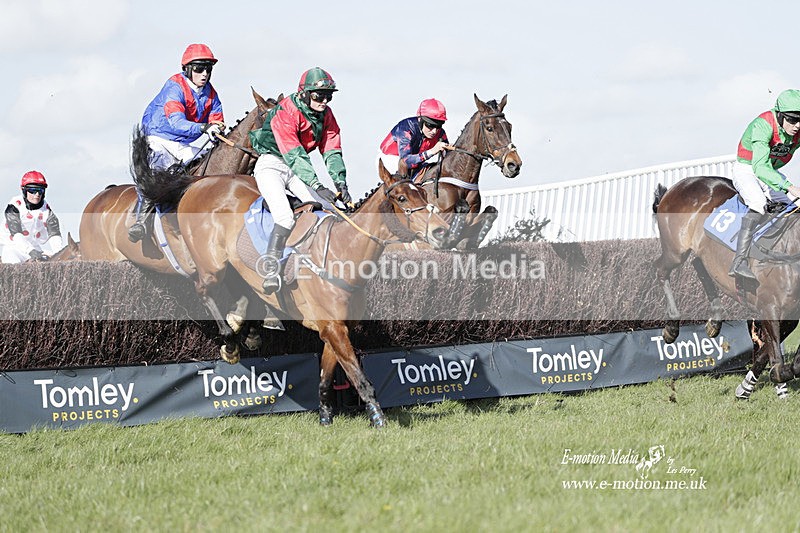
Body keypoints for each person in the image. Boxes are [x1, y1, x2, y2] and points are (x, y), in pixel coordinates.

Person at [249, 67, 351, 294]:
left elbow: (332, 149)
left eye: (329, 96)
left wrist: (340, 183)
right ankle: (271, 269)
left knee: (326, 211)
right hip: (272, 166)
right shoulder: (286, 111)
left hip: (295, 171)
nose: (324, 101)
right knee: (285, 218)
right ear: (304, 93)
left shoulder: (326, 115)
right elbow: (294, 154)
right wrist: (317, 185)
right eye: (318, 96)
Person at [130, 43, 225, 243]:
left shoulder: (211, 93)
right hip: (158, 137)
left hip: (183, 143)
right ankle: (141, 221)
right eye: (199, 68)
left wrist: (219, 131)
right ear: (188, 70)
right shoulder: (174, 86)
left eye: (208, 69)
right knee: (159, 176)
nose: (204, 73)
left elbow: (217, 119)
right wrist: (204, 128)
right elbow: (176, 122)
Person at [730, 89, 800, 279]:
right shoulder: (763, 125)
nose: (797, 126)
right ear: (780, 115)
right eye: (793, 120)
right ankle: (739, 261)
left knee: (792, 208)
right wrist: (790, 187)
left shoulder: (797, 128)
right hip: (748, 169)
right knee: (759, 204)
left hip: (769, 171)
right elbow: (760, 168)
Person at [379, 98, 450, 180]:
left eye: (438, 126)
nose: (434, 131)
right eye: (430, 125)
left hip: (416, 161)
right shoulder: (405, 128)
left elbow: (447, 155)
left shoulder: (440, 132)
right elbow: (405, 162)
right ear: (420, 119)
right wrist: (432, 151)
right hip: (392, 159)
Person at [1, 171, 62, 264]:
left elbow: (54, 234)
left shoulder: (47, 210)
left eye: (40, 190)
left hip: (34, 247)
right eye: (33, 190)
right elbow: (17, 234)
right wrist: (30, 250)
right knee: (12, 259)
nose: (37, 194)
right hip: (13, 247)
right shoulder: (14, 206)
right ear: (24, 190)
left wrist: (59, 253)